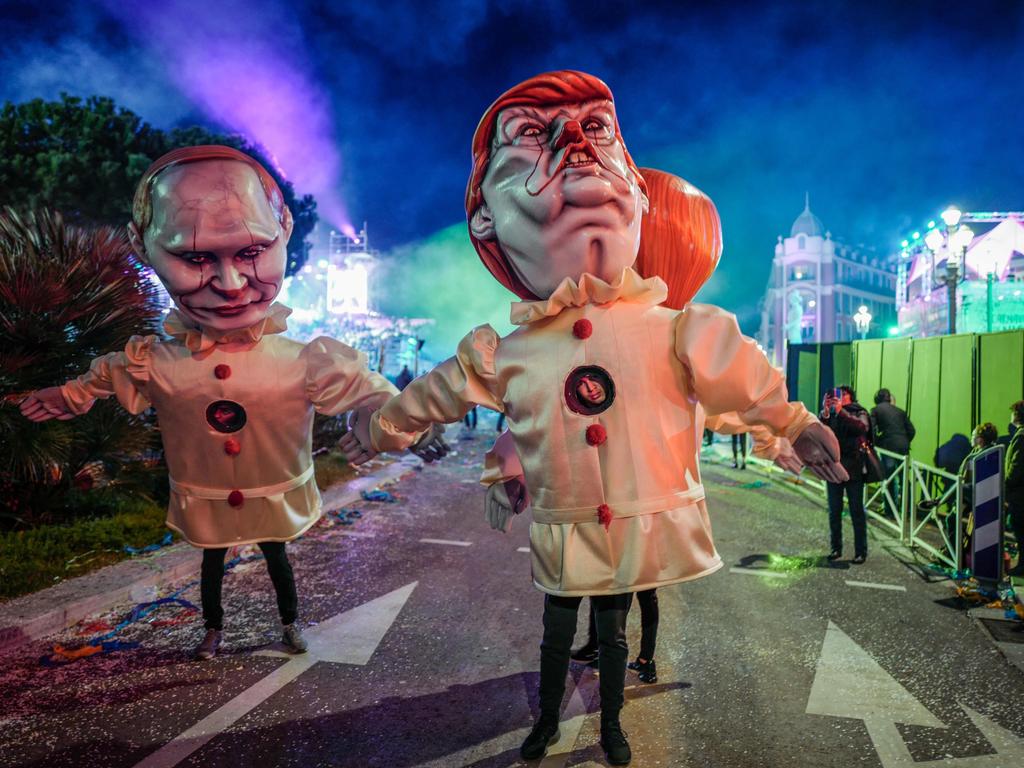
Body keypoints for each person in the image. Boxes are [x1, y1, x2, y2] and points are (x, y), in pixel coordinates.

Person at [342, 71, 845, 765]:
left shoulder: (676, 328)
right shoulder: (510, 352)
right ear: (484, 215)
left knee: (610, 638)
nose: (574, 142)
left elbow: (740, 374)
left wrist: (794, 423)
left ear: (637, 190)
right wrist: (379, 426)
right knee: (555, 635)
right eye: (530, 134)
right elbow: (435, 398)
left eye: (597, 127)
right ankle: (548, 721)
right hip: (565, 523)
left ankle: (610, 726)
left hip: (632, 526)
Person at [20, 146, 446, 661]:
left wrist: (386, 425)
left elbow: (374, 394)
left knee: (277, 560)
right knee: (211, 565)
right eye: (195, 258)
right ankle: (213, 630)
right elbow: (107, 374)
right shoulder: (155, 361)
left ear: (284, 228)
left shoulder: (305, 360)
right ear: (142, 246)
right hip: (209, 498)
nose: (229, 284)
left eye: (251, 252)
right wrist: (67, 396)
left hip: (274, 497)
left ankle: (289, 623)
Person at [820, 386, 871, 564]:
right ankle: (836, 548)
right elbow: (821, 434)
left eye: (841, 396)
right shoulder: (831, 415)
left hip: (854, 469)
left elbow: (861, 428)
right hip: (834, 468)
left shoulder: (859, 412)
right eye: (834, 397)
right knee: (834, 511)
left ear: (850, 397)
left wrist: (841, 412)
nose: (837, 399)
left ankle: (860, 552)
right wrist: (825, 413)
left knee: (856, 511)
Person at [871, 388, 915, 512]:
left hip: (888, 448)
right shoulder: (900, 412)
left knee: (889, 477)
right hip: (903, 447)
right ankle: (908, 509)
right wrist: (904, 441)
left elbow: (872, 431)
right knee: (904, 478)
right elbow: (912, 430)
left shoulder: (876, 410)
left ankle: (890, 510)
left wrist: (876, 443)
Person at [1005, 402, 1024, 577]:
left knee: (1018, 526)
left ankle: (1022, 566)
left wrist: (1006, 483)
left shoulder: (1021, 436)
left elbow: (1016, 466)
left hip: (1019, 492)